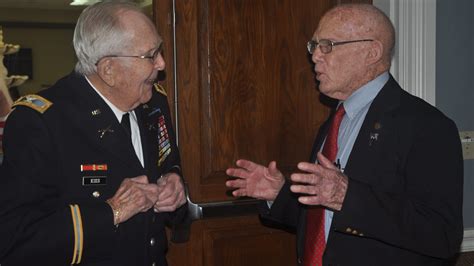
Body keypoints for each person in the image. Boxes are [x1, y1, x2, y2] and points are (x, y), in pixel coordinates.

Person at [226, 3, 463, 265]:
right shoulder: (334, 122)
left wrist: (347, 196)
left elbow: (442, 235)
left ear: (371, 52)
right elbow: (324, 223)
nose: (315, 55)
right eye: (313, 45)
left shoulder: (426, 126)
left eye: (327, 45)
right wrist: (279, 194)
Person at [0, 1, 187, 265]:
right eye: (150, 54)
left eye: (160, 50)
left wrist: (175, 184)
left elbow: (167, 165)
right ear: (108, 69)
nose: (162, 63)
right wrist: (112, 211)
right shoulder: (41, 123)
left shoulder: (152, 103)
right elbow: (15, 242)